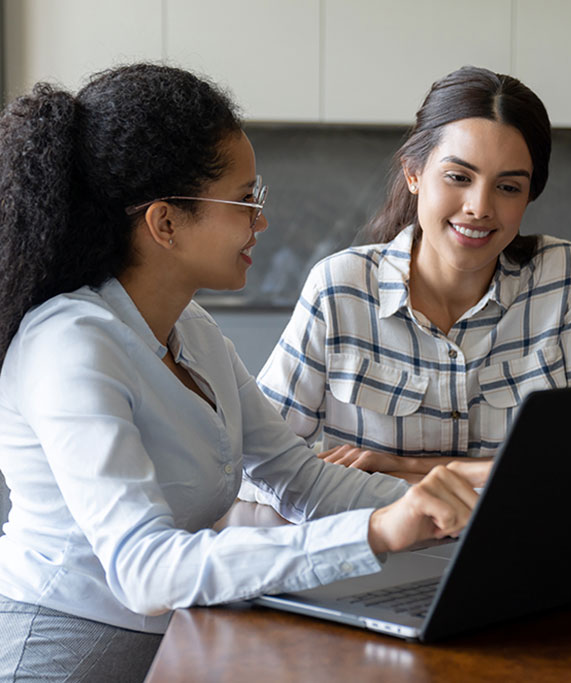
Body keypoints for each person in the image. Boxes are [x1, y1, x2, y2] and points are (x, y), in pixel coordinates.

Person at [0, 64, 479, 681]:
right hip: (58, 653)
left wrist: (460, 514)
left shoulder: (190, 329)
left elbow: (299, 479)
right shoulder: (70, 346)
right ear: (165, 222)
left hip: (168, 645)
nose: (262, 221)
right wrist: (379, 532)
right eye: (244, 200)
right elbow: (145, 572)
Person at [254, 66, 571, 487]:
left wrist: (412, 467)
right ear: (413, 174)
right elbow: (257, 461)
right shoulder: (340, 288)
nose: (480, 207)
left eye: (508, 187)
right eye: (458, 177)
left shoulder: (562, 276)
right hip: (376, 548)